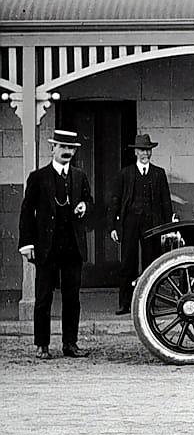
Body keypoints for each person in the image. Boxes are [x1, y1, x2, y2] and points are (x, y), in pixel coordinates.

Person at [17, 129, 93, 359]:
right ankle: (42, 345)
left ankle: (70, 344)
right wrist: (27, 244)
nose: (67, 152)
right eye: (62, 147)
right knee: (43, 298)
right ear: (52, 149)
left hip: (72, 246)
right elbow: (27, 212)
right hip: (47, 247)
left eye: (71, 148)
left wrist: (84, 206)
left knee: (72, 298)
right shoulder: (38, 177)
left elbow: (89, 200)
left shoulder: (79, 176)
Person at [108, 133, 175, 315]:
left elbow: (165, 202)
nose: (145, 154)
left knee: (151, 262)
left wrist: (167, 226)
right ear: (135, 152)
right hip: (130, 223)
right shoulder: (125, 173)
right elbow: (115, 201)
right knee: (127, 263)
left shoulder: (158, 173)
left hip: (152, 224)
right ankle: (125, 304)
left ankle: (150, 303)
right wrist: (113, 226)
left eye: (147, 150)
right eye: (141, 150)